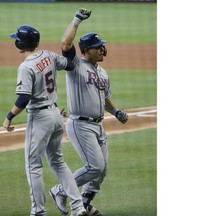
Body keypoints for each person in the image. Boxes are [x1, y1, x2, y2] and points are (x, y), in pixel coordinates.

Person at [49, 9, 129, 216]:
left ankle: (85, 203)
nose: (102, 49)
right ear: (85, 50)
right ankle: (60, 190)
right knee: (94, 166)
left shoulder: (103, 72)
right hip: (80, 125)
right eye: (97, 47)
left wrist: (116, 111)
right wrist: (76, 20)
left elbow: (105, 98)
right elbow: (65, 45)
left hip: (98, 125)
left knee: (102, 171)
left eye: (102, 46)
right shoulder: (75, 65)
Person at [3, 24, 87, 216]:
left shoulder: (25, 67)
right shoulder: (48, 55)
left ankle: (38, 212)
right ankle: (78, 206)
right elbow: (70, 64)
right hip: (57, 116)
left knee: (33, 166)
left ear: (20, 43)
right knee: (58, 162)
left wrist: (9, 117)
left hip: (40, 118)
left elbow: (23, 99)